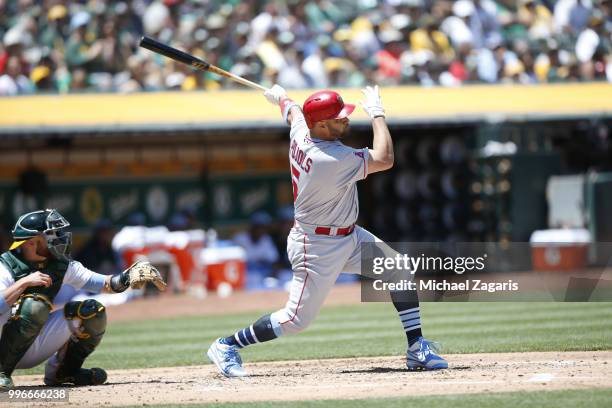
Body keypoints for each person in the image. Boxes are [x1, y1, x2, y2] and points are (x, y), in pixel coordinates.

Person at [206, 84, 448, 377]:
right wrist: (378, 115)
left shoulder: (302, 131)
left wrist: (281, 97)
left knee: (397, 269)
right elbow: (385, 158)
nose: (346, 120)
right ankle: (226, 345)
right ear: (321, 124)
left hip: (348, 235)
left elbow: (294, 112)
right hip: (316, 245)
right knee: (295, 320)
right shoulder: (329, 159)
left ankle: (416, 348)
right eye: (339, 117)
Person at [0, 209, 166, 390]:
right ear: (32, 242)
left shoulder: (61, 265)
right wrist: (22, 283)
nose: (60, 238)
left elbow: (106, 284)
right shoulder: (6, 266)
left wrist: (129, 275)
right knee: (35, 306)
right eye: (52, 234)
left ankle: (64, 372)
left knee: (91, 311)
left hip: (31, 344)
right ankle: (2, 372)